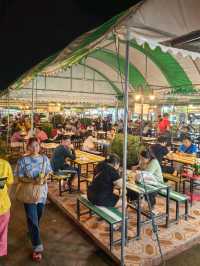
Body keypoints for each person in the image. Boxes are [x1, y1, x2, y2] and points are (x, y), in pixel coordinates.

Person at [15, 138, 52, 262]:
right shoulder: (23, 160)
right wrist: (33, 180)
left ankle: (32, 230)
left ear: (39, 146)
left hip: (42, 193)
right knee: (32, 218)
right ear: (28, 147)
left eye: (37, 145)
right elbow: (20, 177)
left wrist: (45, 178)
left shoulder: (45, 159)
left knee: (38, 216)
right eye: (32, 146)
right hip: (29, 193)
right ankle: (37, 247)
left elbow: (48, 172)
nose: (35, 148)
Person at [0, 159, 14, 261]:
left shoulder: (5, 165)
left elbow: (9, 184)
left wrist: (4, 197)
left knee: (2, 232)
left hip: (3, 207)